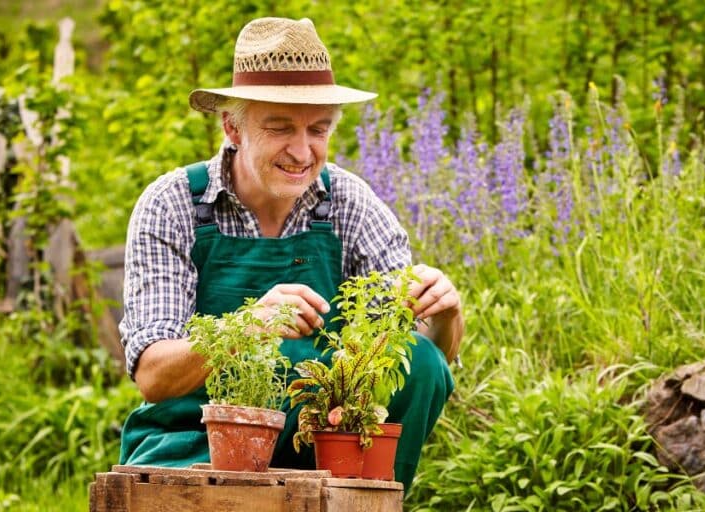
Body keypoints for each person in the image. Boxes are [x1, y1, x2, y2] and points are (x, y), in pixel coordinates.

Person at [116, 17, 463, 491]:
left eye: (317, 130)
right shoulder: (174, 203)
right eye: (280, 128)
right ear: (233, 128)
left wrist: (441, 313)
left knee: (420, 361)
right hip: (192, 441)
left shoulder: (348, 202)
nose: (302, 152)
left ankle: (365, 500)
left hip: (323, 443)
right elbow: (153, 374)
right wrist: (247, 327)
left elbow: (416, 368)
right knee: (289, 355)